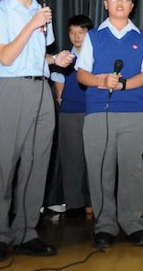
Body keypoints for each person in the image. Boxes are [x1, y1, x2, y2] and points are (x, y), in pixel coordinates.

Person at [0, 0, 75, 263]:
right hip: (11, 90)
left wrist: (55, 58)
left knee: (37, 165)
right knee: (5, 166)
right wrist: (32, 25)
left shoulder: (41, 11)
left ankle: (26, 232)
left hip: (42, 90)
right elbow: (7, 57)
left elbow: (35, 55)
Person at [75, 0, 143, 249]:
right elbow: (82, 74)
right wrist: (101, 81)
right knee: (101, 170)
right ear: (105, 3)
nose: (120, 2)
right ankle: (104, 226)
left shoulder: (141, 37)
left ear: (132, 6)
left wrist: (123, 84)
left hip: (134, 112)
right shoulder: (93, 36)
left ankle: (133, 225)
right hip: (98, 113)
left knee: (132, 170)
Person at [50, 14, 94, 219]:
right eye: (72, 32)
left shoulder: (96, 55)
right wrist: (60, 96)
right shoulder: (64, 57)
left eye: (81, 32)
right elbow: (58, 79)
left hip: (93, 112)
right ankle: (74, 206)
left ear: (89, 33)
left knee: (97, 161)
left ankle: (100, 206)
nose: (76, 37)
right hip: (69, 113)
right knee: (70, 160)